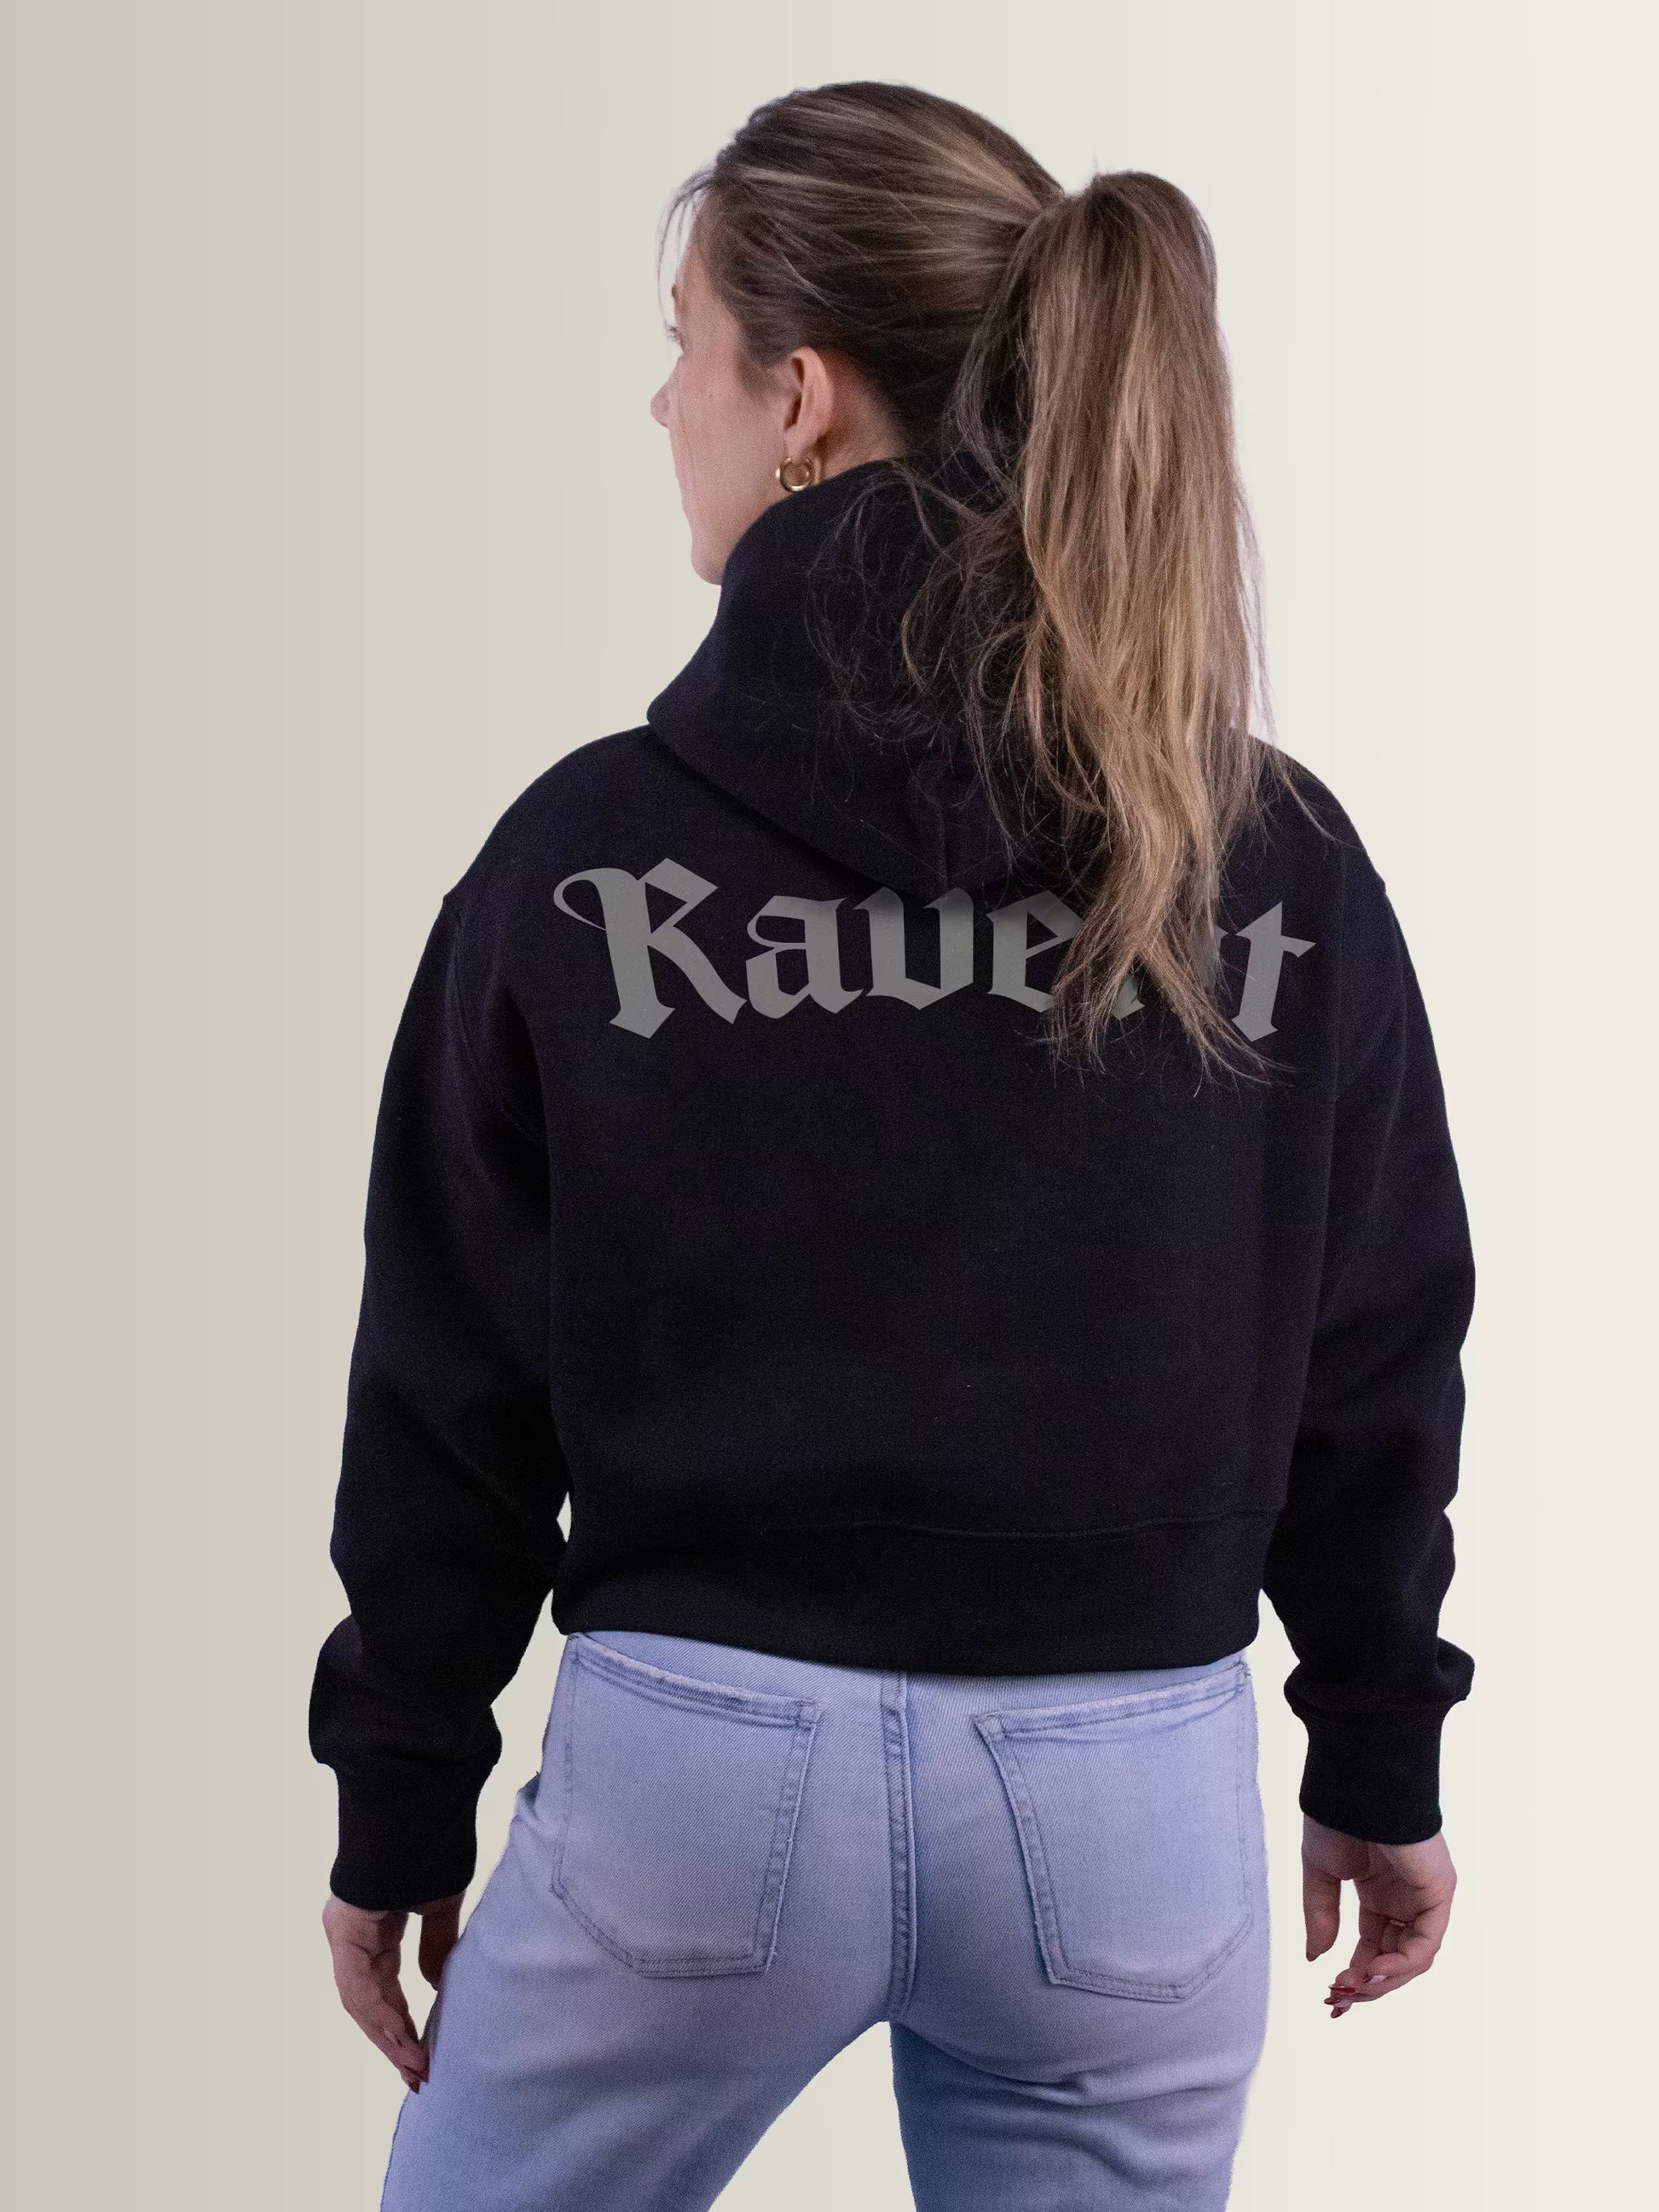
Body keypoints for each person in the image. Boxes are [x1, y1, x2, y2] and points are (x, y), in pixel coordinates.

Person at [309, 80, 1474, 2212]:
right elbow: (1377, 1340)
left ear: (803, 400)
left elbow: (444, 1382)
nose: (659, 399)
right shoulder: (1267, 850)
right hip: (1125, 1791)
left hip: (693, 1776)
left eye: (684, 341)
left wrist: (399, 1794)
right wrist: (1378, 1746)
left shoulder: (579, 853)